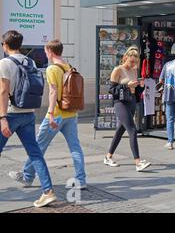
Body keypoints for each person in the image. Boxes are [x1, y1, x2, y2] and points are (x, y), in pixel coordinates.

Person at [9, 40, 87, 190]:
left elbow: (53, 92)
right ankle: (81, 180)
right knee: (75, 147)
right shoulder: (68, 66)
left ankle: (27, 176)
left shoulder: (52, 69)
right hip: (71, 113)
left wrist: (50, 113)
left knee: (38, 146)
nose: (45, 54)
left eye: (46, 51)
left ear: (50, 51)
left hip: (57, 114)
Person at [0, 31, 56, 207]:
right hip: (28, 113)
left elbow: (3, 91)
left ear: (5, 45)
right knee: (35, 153)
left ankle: (48, 192)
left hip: (10, 113)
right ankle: (48, 191)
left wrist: (2, 118)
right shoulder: (29, 61)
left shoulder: (5, 63)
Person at [104, 46, 151, 172]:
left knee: (120, 130)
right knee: (132, 130)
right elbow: (111, 90)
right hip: (120, 102)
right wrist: (126, 85)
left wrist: (140, 86)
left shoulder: (134, 70)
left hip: (131, 101)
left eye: (135, 62)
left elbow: (135, 91)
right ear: (125, 58)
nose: (133, 64)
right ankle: (138, 162)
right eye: (131, 61)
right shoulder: (118, 70)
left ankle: (108, 157)